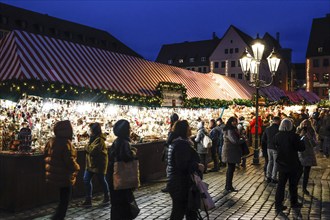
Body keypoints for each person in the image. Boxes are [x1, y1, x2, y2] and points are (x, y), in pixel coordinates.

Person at [167, 120, 204, 220]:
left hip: (177, 182)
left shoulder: (176, 142)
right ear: (184, 129)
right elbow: (182, 165)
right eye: (188, 127)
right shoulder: (181, 144)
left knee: (188, 211)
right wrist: (197, 166)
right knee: (179, 212)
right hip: (181, 184)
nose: (190, 129)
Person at [44, 120, 80, 220]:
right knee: (65, 199)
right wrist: (77, 167)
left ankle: (57, 217)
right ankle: (58, 217)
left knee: (62, 198)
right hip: (64, 175)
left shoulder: (52, 141)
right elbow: (69, 160)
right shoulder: (66, 144)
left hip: (54, 174)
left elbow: (46, 155)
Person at [108, 119, 138, 220]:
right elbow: (126, 157)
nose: (130, 130)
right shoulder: (124, 142)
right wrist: (133, 152)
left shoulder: (116, 141)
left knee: (116, 204)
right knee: (123, 203)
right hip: (122, 178)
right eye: (129, 128)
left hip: (114, 176)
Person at [274, 118, 305, 212]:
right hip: (292, 163)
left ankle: (278, 204)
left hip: (281, 163)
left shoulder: (277, 136)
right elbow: (301, 148)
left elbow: (275, 146)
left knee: (281, 185)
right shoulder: (294, 136)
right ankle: (293, 202)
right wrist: (302, 138)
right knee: (293, 184)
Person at [82, 122, 109, 206]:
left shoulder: (99, 140)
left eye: (90, 129)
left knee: (101, 180)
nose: (89, 131)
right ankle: (88, 199)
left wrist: (86, 146)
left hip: (99, 164)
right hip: (91, 164)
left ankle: (107, 197)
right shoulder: (92, 138)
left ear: (94, 130)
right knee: (86, 179)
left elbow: (92, 151)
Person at [222, 116, 244, 192]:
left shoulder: (233, 129)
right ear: (230, 122)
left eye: (236, 121)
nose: (235, 122)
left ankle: (229, 186)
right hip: (230, 151)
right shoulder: (229, 130)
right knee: (230, 169)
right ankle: (228, 186)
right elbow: (234, 141)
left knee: (231, 169)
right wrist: (242, 140)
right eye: (234, 121)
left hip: (232, 151)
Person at [296, 119, 317, 195]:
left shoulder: (311, 132)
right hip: (300, 154)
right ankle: (295, 187)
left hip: (308, 155)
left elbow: (314, 144)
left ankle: (304, 188)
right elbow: (295, 140)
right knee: (298, 172)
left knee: (306, 173)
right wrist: (300, 133)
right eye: (304, 124)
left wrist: (308, 135)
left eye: (307, 124)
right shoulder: (298, 130)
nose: (305, 125)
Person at [161, 113, 179, 193]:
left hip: (171, 150)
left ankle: (170, 186)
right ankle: (172, 185)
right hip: (174, 150)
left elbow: (169, 140)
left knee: (169, 169)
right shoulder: (178, 126)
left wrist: (166, 142)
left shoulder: (173, 128)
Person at [262, 116, 281, 183]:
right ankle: (274, 177)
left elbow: (263, 139)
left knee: (270, 161)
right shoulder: (279, 129)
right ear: (278, 121)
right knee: (275, 162)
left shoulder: (267, 129)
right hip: (275, 148)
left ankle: (268, 176)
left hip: (268, 147)